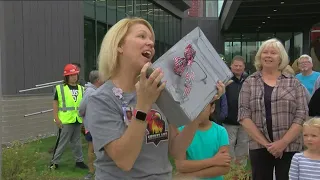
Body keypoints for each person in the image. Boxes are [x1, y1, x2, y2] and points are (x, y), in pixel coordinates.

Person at [85, 17, 226, 180]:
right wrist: (143, 104)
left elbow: (176, 150)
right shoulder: (101, 99)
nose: (151, 43)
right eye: (142, 36)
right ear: (119, 46)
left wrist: (199, 108)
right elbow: (124, 160)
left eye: (151, 39)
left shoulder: (158, 91)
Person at [238, 38, 308, 180]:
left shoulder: (294, 83)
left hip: (289, 147)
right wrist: (267, 145)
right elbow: (243, 115)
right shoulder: (249, 82)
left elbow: (302, 114)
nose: (268, 55)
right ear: (259, 56)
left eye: (273, 53)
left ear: (280, 58)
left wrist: (283, 143)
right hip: (259, 146)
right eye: (265, 52)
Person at [175, 100, 231, 180]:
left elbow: (224, 168)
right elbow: (181, 165)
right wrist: (214, 161)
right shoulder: (181, 131)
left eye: (202, 106)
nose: (197, 111)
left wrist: (191, 175)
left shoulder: (220, 132)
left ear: (212, 108)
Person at [50, 64, 88, 170]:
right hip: (65, 120)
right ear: (67, 76)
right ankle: (54, 163)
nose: (74, 77)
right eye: (71, 75)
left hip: (77, 119)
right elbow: (55, 103)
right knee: (61, 143)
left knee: (77, 142)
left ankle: (79, 161)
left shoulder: (81, 88)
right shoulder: (60, 88)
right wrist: (56, 118)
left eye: (75, 74)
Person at [223, 55, 248, 166]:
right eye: (235, 65)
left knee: (243, 143)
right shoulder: (225, 79)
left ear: (244, 67)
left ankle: (241, 169)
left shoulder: (248, 80)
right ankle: (231, 168)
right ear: (231, 66)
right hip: (229, 120)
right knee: (229, 144)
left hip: (245, 120)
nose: (238, 68)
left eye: (240, 66)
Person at [79, 70, 103, 179]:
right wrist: (86, 120)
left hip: (99, 125)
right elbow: (81, 108)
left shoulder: (98, 90)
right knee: (92, 149)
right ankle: (91, 171)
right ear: (98, 80)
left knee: (99, 149)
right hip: (92, 126)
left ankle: (99, 170)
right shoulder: (90, 92)